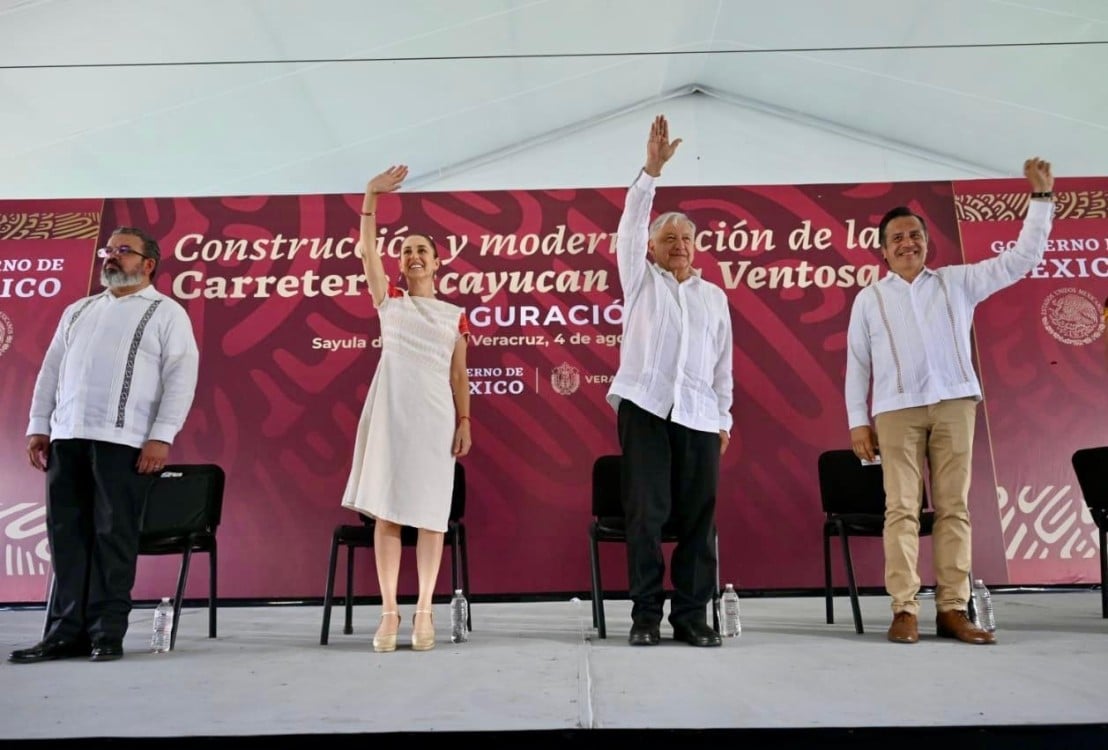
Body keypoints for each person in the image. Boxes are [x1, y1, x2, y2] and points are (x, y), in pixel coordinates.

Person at [845, 158, 1055, 645]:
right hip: (895, 410)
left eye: (914, 235)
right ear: (882, 250)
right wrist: (858, 421)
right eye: (896, 237)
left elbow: (1022, 260)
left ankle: (952, 609)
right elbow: (857, 364)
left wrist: (1041, 199)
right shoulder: (869, 300)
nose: (906, 243)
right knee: (900, 509)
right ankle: (904, 610)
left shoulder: (958, 282)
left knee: (954, 508)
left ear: (926, 242)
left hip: (955, 404)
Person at [10, 227, 200, 663]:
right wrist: (39, 425)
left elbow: (181, 378)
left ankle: (106, 633)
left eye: (123, 251)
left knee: (113, 538)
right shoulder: (78, 310)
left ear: (148, 264)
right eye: (108, 250)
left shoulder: (166, 313)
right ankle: (63, 633)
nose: (110, 258)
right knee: (66, 537)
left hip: (125, 442)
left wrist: (160, 436)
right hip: (68, 438)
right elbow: (50, 370)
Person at [606, 115, 734, 648]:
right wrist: (650, 173)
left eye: (686, 238)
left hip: (701, 416)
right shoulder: (639, 281)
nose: (678, 244)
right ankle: (644, 617)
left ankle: (691, 617)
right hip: (646, 409)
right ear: (653, 249)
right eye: (669, 237)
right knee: (647, 517)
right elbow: (632, 224)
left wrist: (723, 419)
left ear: (695, 249)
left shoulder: (713, 297)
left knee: (700, 523)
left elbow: (723, 364)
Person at [341, 164, 472, 653]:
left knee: (432, 517)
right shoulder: (388, 301)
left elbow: (459, 374)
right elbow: (368, 249)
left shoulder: (455, 316)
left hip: (436, 420)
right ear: (399, 263)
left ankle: (423, 612)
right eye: (407, 250)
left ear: (437, 263)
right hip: (391, 419)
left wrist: (464, 421)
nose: (413, 256)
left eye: (422, 251)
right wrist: (371, 197)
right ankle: (390, 612)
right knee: (390, 514)